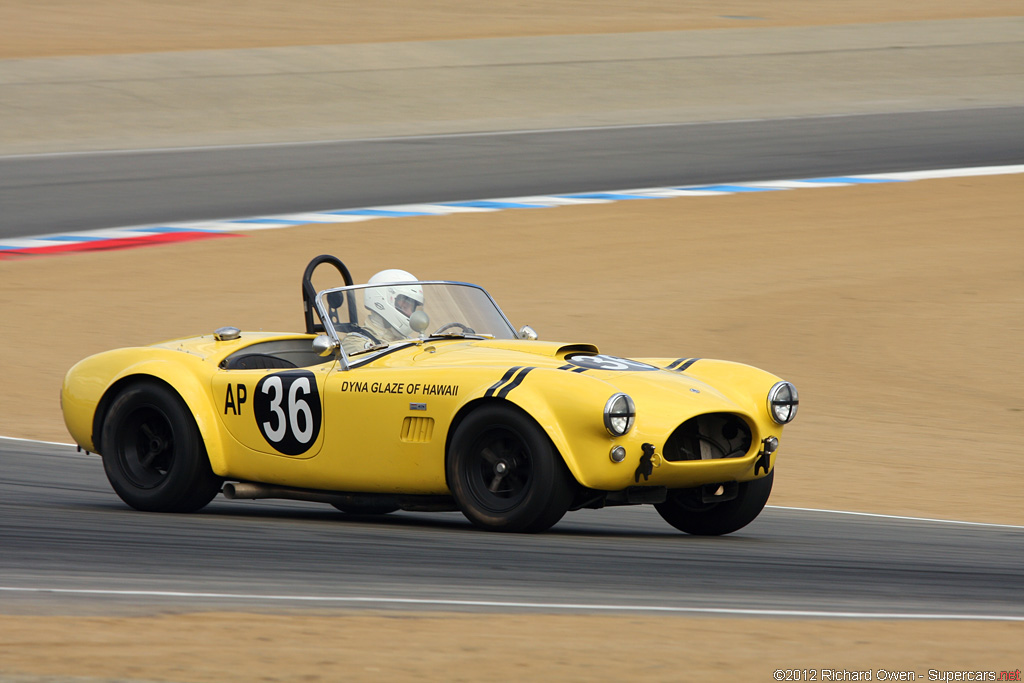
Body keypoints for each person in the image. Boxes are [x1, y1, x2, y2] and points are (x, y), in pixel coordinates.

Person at [341, 269, 424, 355]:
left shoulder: (408, 341)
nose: (410, 314)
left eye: (412, 308)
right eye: (404, 306)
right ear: (382, 299)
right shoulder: (357, 344)